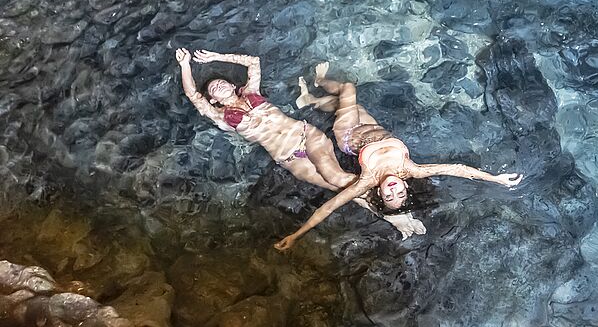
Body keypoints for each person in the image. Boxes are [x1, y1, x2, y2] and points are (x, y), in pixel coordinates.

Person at [175, 48, 426, 240]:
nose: (218, 85)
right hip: (288, 156)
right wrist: (185, 65)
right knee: (337, 186)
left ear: (233, 85)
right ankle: (390, 210)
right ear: (214, 100)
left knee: (340, 178)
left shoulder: (252, 91)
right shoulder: (221, 117)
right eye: (213, 88)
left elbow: (253, 62)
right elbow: (193, 96)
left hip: (307, 135)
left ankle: (394, 214)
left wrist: (216, 57)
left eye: (221, 82)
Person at [275, 62, 523, 251]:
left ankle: (319, 79)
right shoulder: (411, 169)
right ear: (405, 185)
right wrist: (496, 179)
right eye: (400, 193)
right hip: (375, 128)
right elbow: (457, 168)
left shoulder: (368, 180)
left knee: (348, 90)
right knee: (354, 107)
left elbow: (329, 207)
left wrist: (296, 235)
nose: (393, 190)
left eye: (389, 195)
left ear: (381, 194)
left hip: (350, 135)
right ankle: (309, 100)